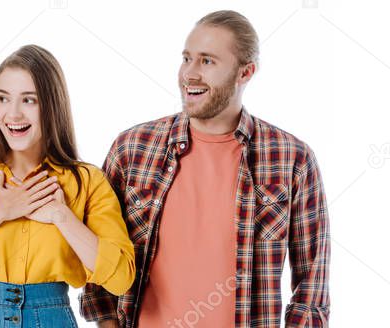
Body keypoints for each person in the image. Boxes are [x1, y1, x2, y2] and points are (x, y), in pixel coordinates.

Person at [80, 10, 330, 328]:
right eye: (187, 58)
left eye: (207, 61)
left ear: (245, 72)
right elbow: (100, 257)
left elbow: (312, 289)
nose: (190, 74)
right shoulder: (132, 148)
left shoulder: (292, 160)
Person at [0, 44, 136, 327]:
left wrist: (62, 216)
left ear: (52, 105)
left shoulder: (88, 182)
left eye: (29, 100)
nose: (13, 114)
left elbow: (121, 278)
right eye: (3, 98)